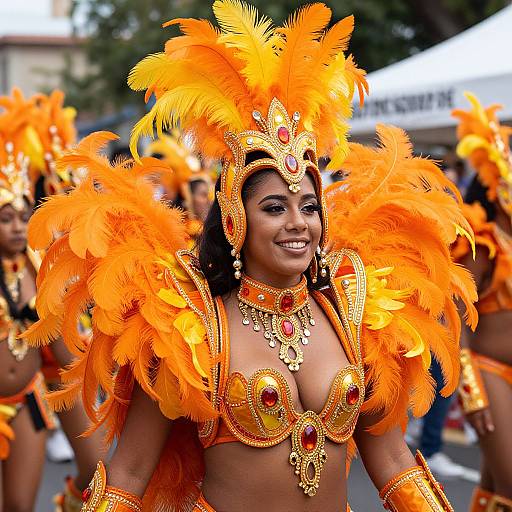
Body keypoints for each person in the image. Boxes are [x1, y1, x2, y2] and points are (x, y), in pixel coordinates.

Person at [23, 2, 477, 511]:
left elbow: (394, 463)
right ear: (236, 220)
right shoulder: (189, 325)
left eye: (309, 206)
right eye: (274, 208)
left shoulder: (354, 314)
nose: (297, 224)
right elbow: (128, 471)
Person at [451, 92, 512, 511]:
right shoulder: (483, 246)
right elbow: (454, 321)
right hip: (490, 374)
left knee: (498, 492)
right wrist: (471, 395)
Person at [0, 87, 56, 512]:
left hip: (30, 398)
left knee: (21, 505)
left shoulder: (40, 268)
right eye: (6, 218)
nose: (19, 227)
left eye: (23, 216)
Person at [146, 130, 214, 240]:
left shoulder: (210, 233)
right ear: (188, 199)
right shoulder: (176, 236)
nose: (210, 201)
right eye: (203, 195)